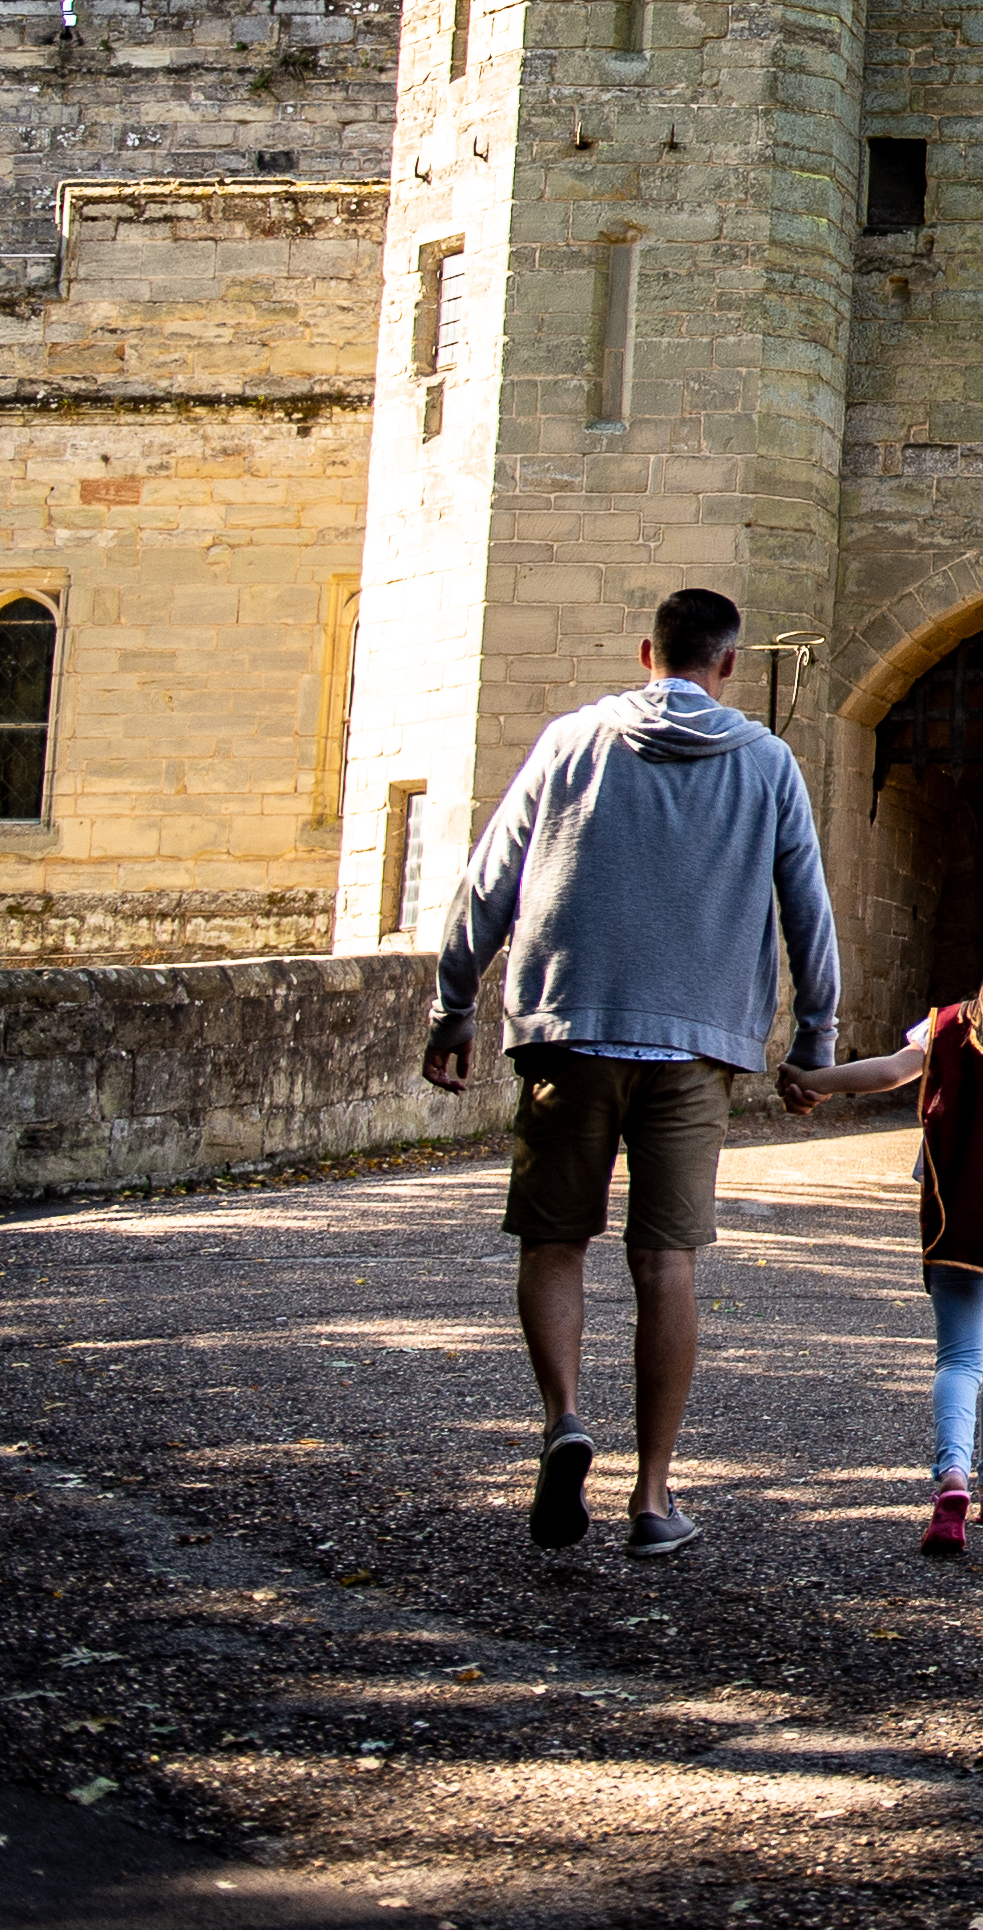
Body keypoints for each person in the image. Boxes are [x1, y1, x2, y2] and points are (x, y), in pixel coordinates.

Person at [424, 587, 839, 1559]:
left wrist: (453, 1004)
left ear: (646, 651)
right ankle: (651, 1497)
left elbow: (490, 879)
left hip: (571, 1030)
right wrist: (813, 1042)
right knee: (666, 1265)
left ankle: (564, 1416)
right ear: (730, 663)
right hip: (694, 1048)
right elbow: (807, 910)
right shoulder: (766, 762)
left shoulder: (572, 742)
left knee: (554, 1241)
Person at [779, 919, 983, 1559]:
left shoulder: (952, 1026)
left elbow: (887, 1074)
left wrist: (814, 1083)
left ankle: (951, 1478)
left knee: (958, 1356)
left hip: (956, 1209)